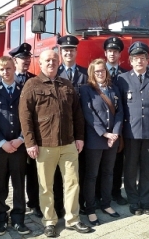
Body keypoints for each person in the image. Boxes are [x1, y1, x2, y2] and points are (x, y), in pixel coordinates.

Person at [19, 50, 92, 237]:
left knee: (72, 183)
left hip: (68, 144)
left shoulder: (66, 84)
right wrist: (30, 142)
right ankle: (49, 221)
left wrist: (80, 137)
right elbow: (25, 116)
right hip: (44, 145)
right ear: (40, 63)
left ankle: (72, 220)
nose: (51, 63)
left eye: (54, 60)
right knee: (46, 186)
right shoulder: (32, 84)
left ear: (59, 62)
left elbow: (78, 114)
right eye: (47, 60)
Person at [116, 41, 149, 216]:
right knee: (130, 169)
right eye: (136, 58)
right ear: (130, 61)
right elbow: (120, 107)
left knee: (147, 169)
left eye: (143, 58)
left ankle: (145, 201)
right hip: (130, 132)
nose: (139, 61)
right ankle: (133, 201)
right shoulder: (122, 79)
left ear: (148, 60)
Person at [0, 56, 30, 236]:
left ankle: (19, 219)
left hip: (19, 146)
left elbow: (29, 118)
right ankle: (1, 220)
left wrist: (21, 139)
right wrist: (2, 143)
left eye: (9, 68)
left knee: (19, 185)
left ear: (14, 68)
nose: (6, 72)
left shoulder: (24, 90)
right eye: (2, 69)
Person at [79, 58, 124, 226]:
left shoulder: (114, 89)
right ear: (92, 73)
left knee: (108, 173)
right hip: (95, 139)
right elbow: (88, 114)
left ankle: (106, 204)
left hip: (112, 139)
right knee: (91, 175)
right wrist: (105, 133)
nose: (100, 73)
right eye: (97, 71)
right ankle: (90, 209)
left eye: (102, 70)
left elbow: (120, 113)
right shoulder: (86, 90)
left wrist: (116, 133)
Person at [8, 44, 44, 218]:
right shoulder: (7, 78)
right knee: (12, 175)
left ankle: (34, 203)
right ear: (15, 60)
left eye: (29, 58)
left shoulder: (35, 79)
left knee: (32, 173)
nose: (27, 61)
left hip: (30, 136)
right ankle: (8, 207)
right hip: (12, 136)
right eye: (23, 58)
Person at [56, 35, 88, 213]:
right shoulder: (55, 74)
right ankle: (60, 206)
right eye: (65, 50)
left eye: (72, 49)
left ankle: (79, 203)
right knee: (59, 173)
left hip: (81, 130)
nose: (69, 52)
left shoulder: (85, 74)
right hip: (61, 131)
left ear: (76, 51)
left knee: (80, 170)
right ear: (61, 52)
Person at [104, 37, 129, 206]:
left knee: (118, 161)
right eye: (109, 51)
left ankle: (116, 192)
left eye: (115, 51)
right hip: (102, 126)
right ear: (105, 53)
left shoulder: (125, 74)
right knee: (100, 162)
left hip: (119, 125)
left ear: (120, 54)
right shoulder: (97, 72)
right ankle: (100, 193)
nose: (112, 54)